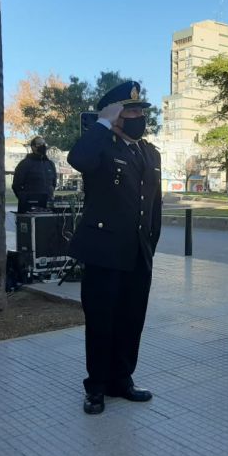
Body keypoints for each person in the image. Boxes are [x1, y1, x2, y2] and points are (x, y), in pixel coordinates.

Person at [67, 81, 162, 415]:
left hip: (137, 252)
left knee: (131, 320)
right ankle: (96, 387)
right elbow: (78, 159)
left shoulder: (150, 153)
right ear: (116, 115)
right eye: (131, 110)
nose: (139, 116)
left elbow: (153, 206)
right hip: (104, 252)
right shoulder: (102, 146)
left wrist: (150, 244)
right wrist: (101, 122)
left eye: (140, 110)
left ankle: (123, 380)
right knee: (101, 321)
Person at [12, 136, 57, 212]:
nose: (43, 146)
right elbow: (16, 185)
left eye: (44, 143)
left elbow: (53, 184)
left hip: (47, 206)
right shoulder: (24, 164)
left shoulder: (50, 164)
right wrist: (24, 199)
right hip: (29, 208)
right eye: (39, 144)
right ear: (33, 147)